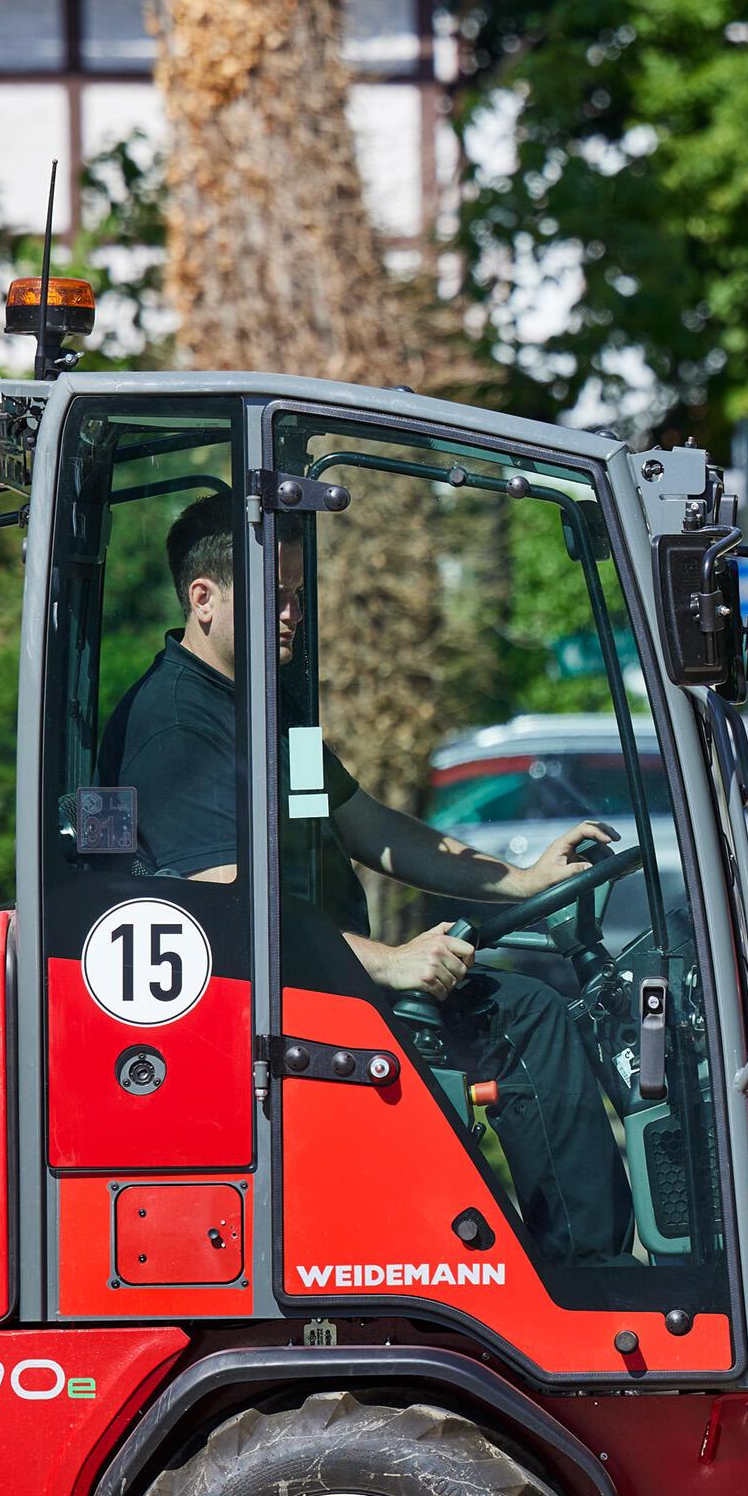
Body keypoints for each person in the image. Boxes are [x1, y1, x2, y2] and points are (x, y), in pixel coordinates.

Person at [104, 493, 633, 1274]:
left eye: (294, 595)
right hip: (275, 1010)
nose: (290, 614)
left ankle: (566, 1267)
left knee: (526, 1008)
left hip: (317, 978)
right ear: (203, 598)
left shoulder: (263, 709)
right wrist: (387, 962)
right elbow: (227, 907)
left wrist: (518, 881)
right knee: (528, 1019)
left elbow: (370, 828)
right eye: (272, 596)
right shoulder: (180, 725)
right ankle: (589, 1283)